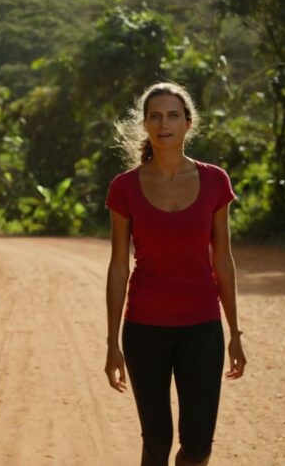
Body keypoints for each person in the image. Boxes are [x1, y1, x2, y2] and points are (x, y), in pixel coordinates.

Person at [103, 82, 247, 466]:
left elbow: (224, 260)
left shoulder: (215, 181)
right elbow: (118, 267)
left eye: (172, 115)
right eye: (155, 116)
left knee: (198, 447)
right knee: (156, 443)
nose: (163, 123)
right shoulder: (124, 188)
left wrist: (234, 333)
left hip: (201, 328)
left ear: (188, 123)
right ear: (146, 125)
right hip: (144, 330)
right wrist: (111, 342)